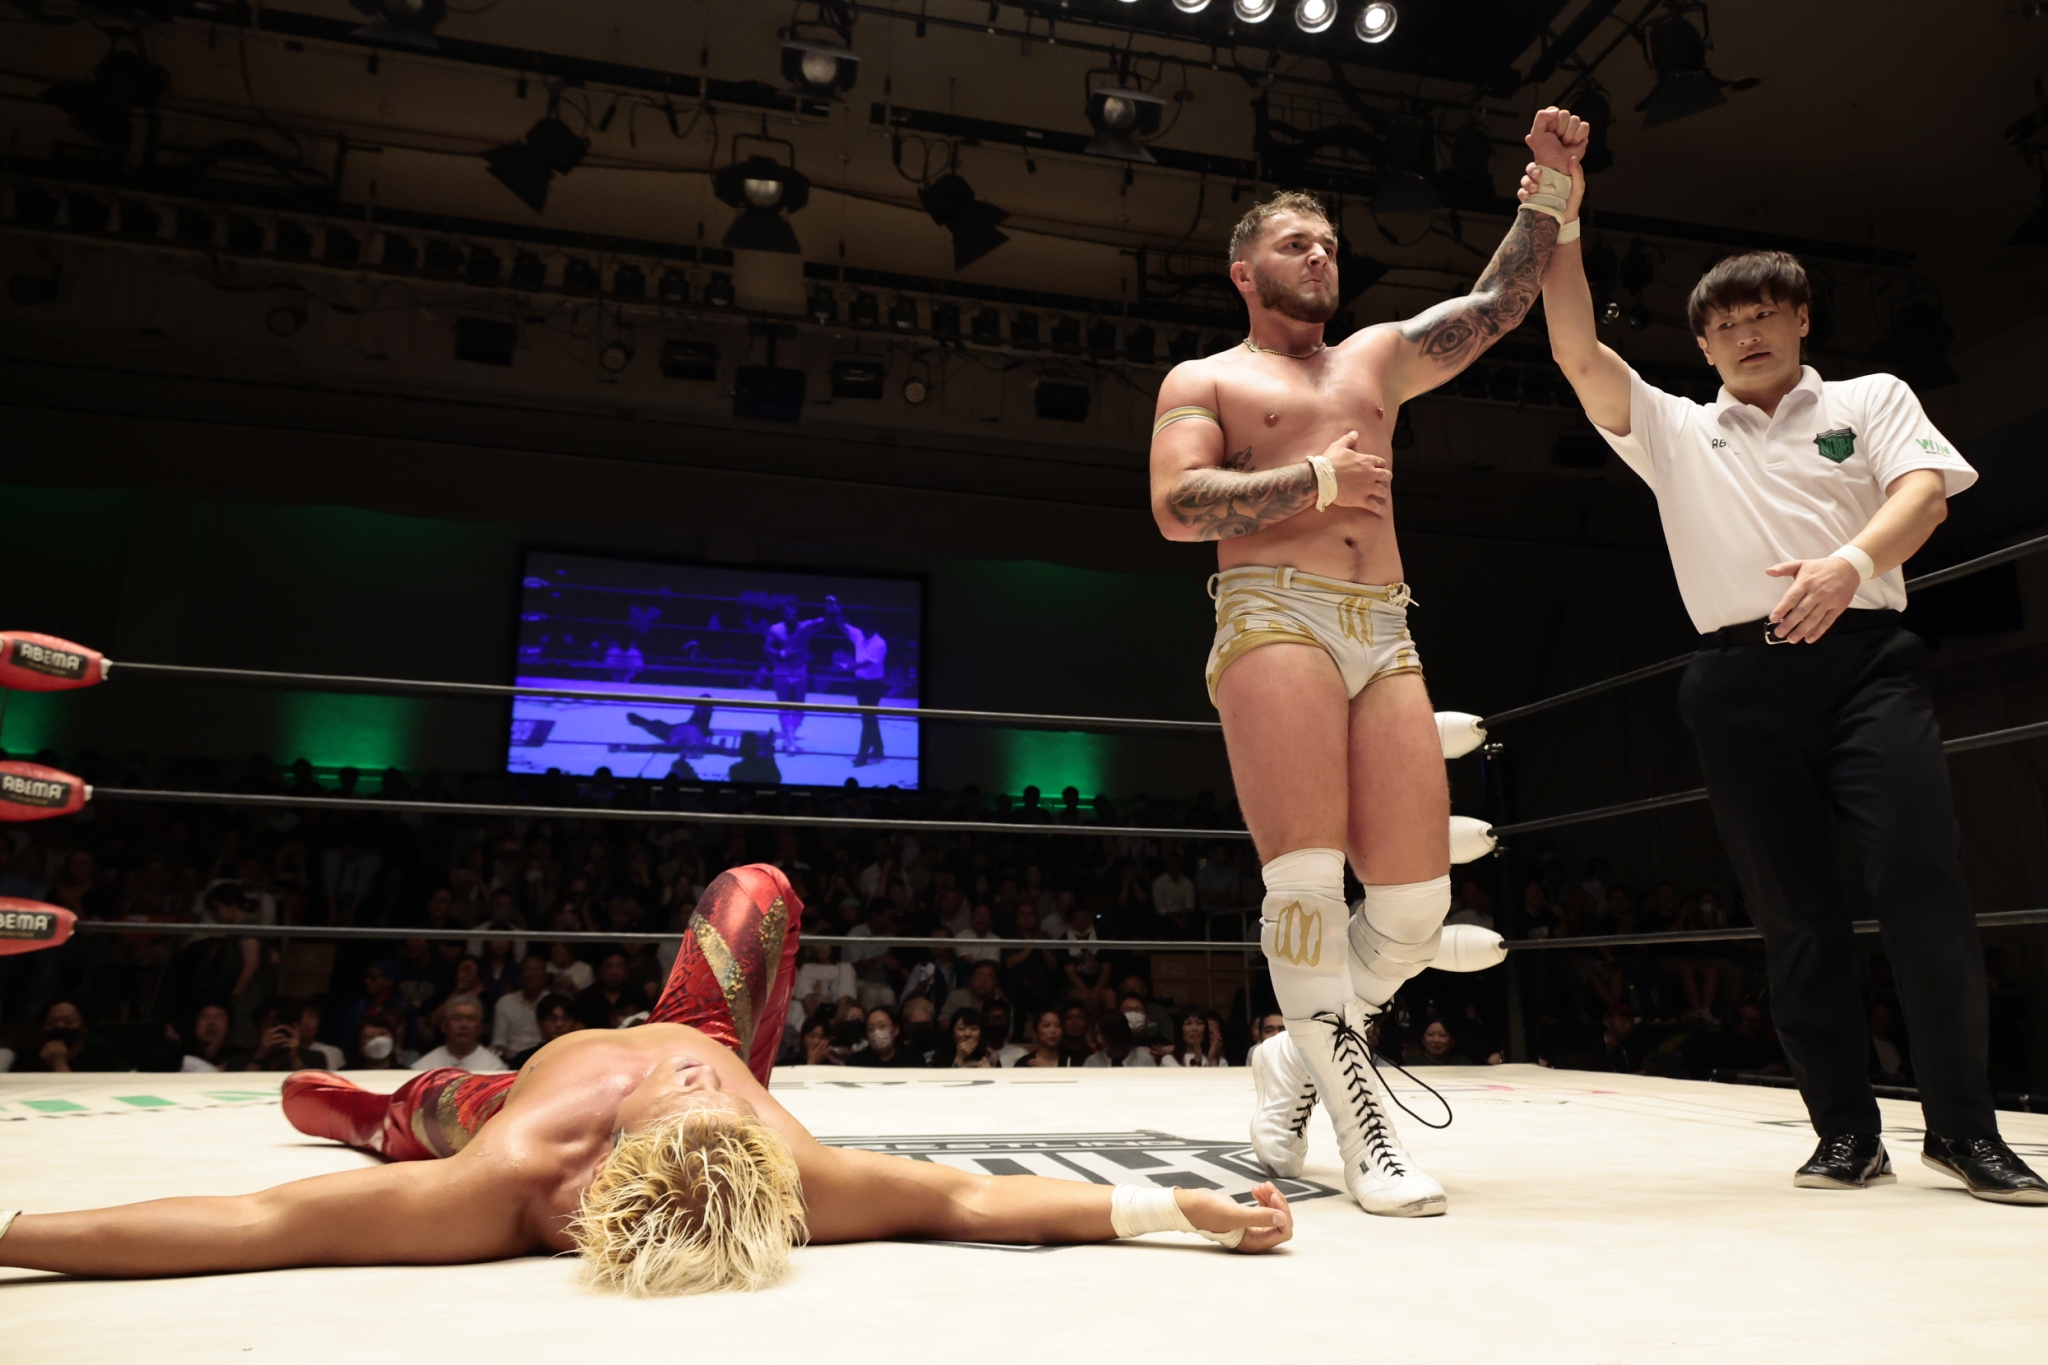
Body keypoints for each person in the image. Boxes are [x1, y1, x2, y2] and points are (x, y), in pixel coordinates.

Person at [1524, 114, 2047, 1206]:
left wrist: (1848, 566)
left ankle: (1964, 1130)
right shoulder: (1675, 428)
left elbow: (1923, 496)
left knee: (1923, 883)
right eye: (1723, 323)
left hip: (1866, 666)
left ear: (1801, 318)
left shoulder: (1869, 398)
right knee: (1794, 914)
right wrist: (1562, 215)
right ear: (1703, 345)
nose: (1745, 332)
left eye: (1763, 313)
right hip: (1737, 681)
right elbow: (1574, 351)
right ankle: (1844, 1133)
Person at [0, 866, 1292, 1292]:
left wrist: (12, 1232)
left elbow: (255, 1226)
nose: (711, 1090)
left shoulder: (506, 1179)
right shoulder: (788, 1170)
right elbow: (972, 1201)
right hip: (691, 1024)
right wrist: (1179, 1210)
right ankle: (348, 1103)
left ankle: (344, 1105)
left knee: (372, 1110)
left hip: (512, 1101)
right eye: (715, 1103)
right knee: (760, 888)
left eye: (702, 1095)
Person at [1146, 109, 1575, 1219]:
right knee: (1303, 884)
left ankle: (1293, 1057)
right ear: (1243, 272)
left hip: (1383, 624)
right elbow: (1177, 504)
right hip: (1270, 615)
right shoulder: (1207, 378)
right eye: (1295, 243)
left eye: (1329, 243)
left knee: (1415, 900)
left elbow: (1495, 305)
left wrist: (1551, 188)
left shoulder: (1377, 356)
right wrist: (1312, 483)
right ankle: (1361, 1133)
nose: (1319, 255)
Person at [827, 597, 890, 768]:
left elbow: (866, 663)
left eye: (867, 631)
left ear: (873, 629)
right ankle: (878, 748)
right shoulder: (860, 634)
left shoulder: (879, 643)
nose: (864, 633)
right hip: (861, 682)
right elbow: (843, 625)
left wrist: (845, 667)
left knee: (867, 718)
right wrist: (836, 608)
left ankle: (862, 755)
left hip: (873, 685)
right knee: (869, 717)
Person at [762, 601, 828, 754]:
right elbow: (766, 648)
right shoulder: (775, 629)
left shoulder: (805, 627)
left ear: (798, 614)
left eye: (794, 613)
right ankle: (790, 740)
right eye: (788, 613)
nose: (791, 616)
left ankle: (789, 736)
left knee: (800, 707)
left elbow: (825, 621)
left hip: (799, 669)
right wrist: (782, 653)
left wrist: (830, 611)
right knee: (783, 706)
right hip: (782, 669)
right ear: (783, 614)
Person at [410, 997, 508, 1074]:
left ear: (480, 1028)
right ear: (444, 1026)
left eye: (471, 1019)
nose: (464, 1025)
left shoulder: (495, 1069)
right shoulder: (423, 1067)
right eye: (457, 1018)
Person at [25, 999, 124, 1072]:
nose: (59, 1026)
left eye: (69, 1022)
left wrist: (59, 1063)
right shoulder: (28, 1058)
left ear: (83, 1027)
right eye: (51, 1022)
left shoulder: (102, 1056)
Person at [491, 955, 553, 1061]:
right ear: (519, 977)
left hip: (545, 1059)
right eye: (528, 969)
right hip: (511, 1061)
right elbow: (498, 1043)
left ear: (545, 976)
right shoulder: (505, 1003)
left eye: (537, 969)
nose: (533, 974)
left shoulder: (553, 1002)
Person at [506, 993, 580, 1070]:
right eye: (552, 1019)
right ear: (540, 1023)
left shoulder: (582, 1056)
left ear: (574, 1023)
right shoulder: (524, 1059)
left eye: (565, 1019)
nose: (559, 1024)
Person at [1082, 1011, 1156, 1068]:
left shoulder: (1144, 1060)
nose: (1099, 1040)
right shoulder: (1092, 1062)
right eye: (1097, 1034)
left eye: (1104, 1035)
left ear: (1117, 1034)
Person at [1160, 1008, 1230, 1068]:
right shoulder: (1168, 1061)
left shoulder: (1219, 1060)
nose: (1194, 1029)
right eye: (1188, 1023)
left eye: (1199, 1023)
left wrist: (1212, 1060)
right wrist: (1197, 1060)